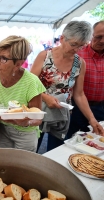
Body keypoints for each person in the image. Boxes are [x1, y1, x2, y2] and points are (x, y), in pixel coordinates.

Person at [31, 21, 104, 152]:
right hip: (37, 110)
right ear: (62, 38)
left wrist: (92, 119)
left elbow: (79, 94)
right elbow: (29, 84)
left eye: (81, 46)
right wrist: (46, 97)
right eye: (73, 44)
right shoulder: (45, 56)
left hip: (61, 114)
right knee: (32, 148)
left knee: (56, 150)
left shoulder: (79, 63)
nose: (76, 50)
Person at [66, 20, 104, 139]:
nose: (102, 41)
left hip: (101, 108)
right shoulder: (78, 53)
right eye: (98, 37)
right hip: (77, 107)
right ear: (91, 35)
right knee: (71, 141)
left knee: (97, 141)